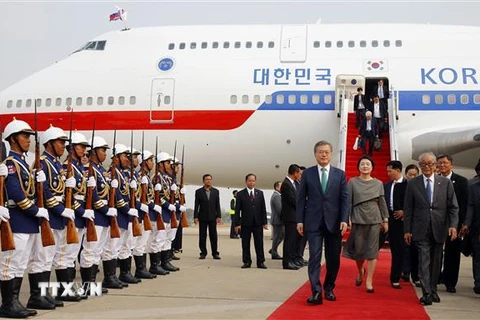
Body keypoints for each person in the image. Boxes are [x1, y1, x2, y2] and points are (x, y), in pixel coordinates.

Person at [0, 118, 44, 318]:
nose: (28, 140)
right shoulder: (10, 163)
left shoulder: (23, 163)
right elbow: (16, 193)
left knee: (20, 263)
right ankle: (8, 304)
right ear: (13, 139)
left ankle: (15, 301)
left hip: (27, 221)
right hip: (17, 219)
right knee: (10, 263)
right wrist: (35, 211)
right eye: (25, 136)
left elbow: (30, 190)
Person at [297, 141, 349, 305]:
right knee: (314, 257)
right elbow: (301, 199)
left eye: (326, 152)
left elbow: (344, 199)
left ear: (331, 154)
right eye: (320, 152)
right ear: (315, 154)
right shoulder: (308, 174)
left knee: (334, 259)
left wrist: (344, 219)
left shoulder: (339, 174)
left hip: (334, 223)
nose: (324, 155)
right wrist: (300, 220)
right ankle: (316, 292)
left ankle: (329, 288)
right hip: (313, 223)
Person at [404, 152, 459, 305]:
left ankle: (433, 289)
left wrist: (453, 226)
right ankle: (426, 292)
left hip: (439, 228)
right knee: (423, 261)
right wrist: (407, 230)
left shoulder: (445, 183)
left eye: (430, 164)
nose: (427, 166)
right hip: (420, 228)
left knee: (436, 262)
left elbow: (453, 207)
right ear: (420, 165)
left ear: (435, 166)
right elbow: (408, 208)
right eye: (423, 164)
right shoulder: (413, 183)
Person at [343, 156, 388, 293]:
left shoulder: (378, 183)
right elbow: (347, 201)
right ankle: (360, 271)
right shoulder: (352, 182)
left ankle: (369, 280)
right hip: (358, 217)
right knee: (359, 251)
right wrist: (347, 218)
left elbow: (382, 202)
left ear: (372, 167)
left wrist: (385, 219)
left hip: (374, 218)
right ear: (358, 167)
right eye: (362, 164)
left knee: (372, 251)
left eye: (368, 164)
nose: (365, 166)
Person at [437, 154, 469, 293]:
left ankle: (451, 282)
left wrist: (463, 223)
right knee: (436, 251)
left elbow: (465, 203)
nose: (442, 165)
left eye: (445, 163)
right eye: (440, 163)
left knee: (453, 253)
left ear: (451, 164)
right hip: (437, 222)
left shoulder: (461, 181)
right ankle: (437, 277)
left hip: (454, 223)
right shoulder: (435, 179)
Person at [234, 173, 268, 269]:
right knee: (245, 243)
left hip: (258, 223)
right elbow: (237, 210)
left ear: (255, 182)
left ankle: (260, 262)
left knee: (259, 243)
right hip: (245, 223)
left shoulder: (260, 193)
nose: (251, 182)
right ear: (246, 181)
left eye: (253, 180)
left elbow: (263, 209)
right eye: (250, 180)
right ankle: (247, 261)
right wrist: (237, 224)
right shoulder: (240, 194)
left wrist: (264, 222)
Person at [384, 160, 407, 289]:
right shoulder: (387, 185)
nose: (388, 173)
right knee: (393, 249)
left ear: (398, 170)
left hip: (402, 222)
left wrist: (405, 212)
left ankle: (396, 277)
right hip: (389, 218)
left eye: (390, 171)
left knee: (399, 249)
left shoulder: (407, 185)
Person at [401, 164, 421, 287]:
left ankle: (416, 275)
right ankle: (405, 271)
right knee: (405, 249)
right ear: (406, 175)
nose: (412, 177)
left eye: (415, 174)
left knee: (415, 250)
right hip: (403, 223)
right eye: (410, 174)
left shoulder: (421, 187)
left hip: (417, 223)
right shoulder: (402, 187)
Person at [194, 174, 221, 260]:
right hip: (202, 216)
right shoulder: (198, 192)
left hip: (213, 217)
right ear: (203, 181)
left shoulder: (216, 191)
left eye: (210, 179)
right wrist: (195, 216)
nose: (208, 181)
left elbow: (218, 205)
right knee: (202, 235)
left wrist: (219, 216)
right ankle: (203, 253)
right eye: (206, 179)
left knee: (213, 236)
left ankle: (215, 253)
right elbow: (196, 205)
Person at [281, 164, 302, 270]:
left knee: (293, 240)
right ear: (295, 173)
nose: (299, 175)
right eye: (299, 173)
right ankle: (286, 262)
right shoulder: (286, 184)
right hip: (290, 217)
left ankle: (291, 260)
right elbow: (293, 200)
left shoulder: (293, 183)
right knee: (289, 240)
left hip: (294, 216)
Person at [462, 175, 480, 294]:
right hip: (476, 228)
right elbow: (470, 207)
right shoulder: (473, 188)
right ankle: (478, 283)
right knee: (478, 256)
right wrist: (466, 225)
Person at [269, 181, 283, 260]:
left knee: (280, 236)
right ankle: (274, 252)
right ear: (277, 187)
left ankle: (273, 249)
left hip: (278, 220)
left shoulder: (278, 195)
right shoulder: (276, 196)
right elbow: (279, 210)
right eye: (281, 186)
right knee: (277, 237)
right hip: (278, 220)